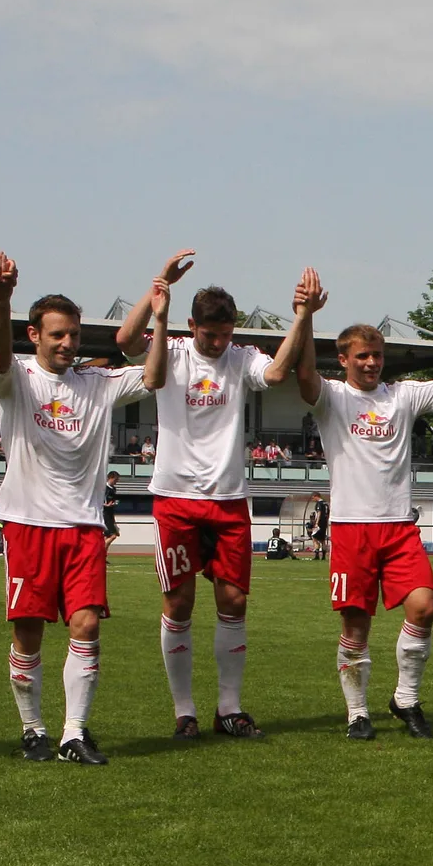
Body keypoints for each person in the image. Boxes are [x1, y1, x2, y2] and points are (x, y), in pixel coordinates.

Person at [295, 274, 433, 739]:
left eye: (377, 356)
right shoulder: (333, 397)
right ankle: (357, 714)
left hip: (398, 527)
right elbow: (305, 376)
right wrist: (306, 316)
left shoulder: (401, 396)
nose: (371, 363)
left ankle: (405, 698)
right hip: (351, 528)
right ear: (344, 359)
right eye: (362, 356)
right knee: (356, 623)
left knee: (424, 606)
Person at [116, 252, 302, 741]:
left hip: (228, 499)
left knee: (234, 600)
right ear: (192, 325)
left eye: (224, 335)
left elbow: (279, 374)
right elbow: (124, 341)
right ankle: (184, 713)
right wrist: (157, 287)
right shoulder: (171, 350)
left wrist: (302, 317)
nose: (217, 343)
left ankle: (229, 708)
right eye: (209, 334)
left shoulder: (242, 358)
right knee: (178, 602)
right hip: (175, 498)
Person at [0, 257, 152, 765]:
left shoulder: (96, 384)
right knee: (28, 632)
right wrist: (0, 299)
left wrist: (158, 312)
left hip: (82, 525)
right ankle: (33, 729)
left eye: (75, 335)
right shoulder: (17, 377)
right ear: (34, 334)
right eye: (57, 334)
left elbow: (156, 375)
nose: (68, 343)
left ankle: (73, 734)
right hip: (27, 522)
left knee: (86, 626)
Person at [309, 492, 330, 561]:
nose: (313, 499)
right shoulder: (326, 503)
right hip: (324, 523)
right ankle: (323, 556)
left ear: (316, 496)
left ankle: (317, 555)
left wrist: (316, 523)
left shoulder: (319, 503)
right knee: (323, 540)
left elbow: (319, 513)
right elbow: (328, 513)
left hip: (320, 523)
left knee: (314, 538)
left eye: (313, 498)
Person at [102, 471, 121, 544]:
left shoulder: (113, 489)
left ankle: (103, 554)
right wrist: (105, 505)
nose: (116, 482)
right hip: (104, 514)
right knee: (113, 535)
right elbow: (98, 500)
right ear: (110, 478)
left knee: (107, 537)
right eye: (115, 480)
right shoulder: (103, 488)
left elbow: (112, 500)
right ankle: (101, 550)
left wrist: (115, 503)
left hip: (110, 514)